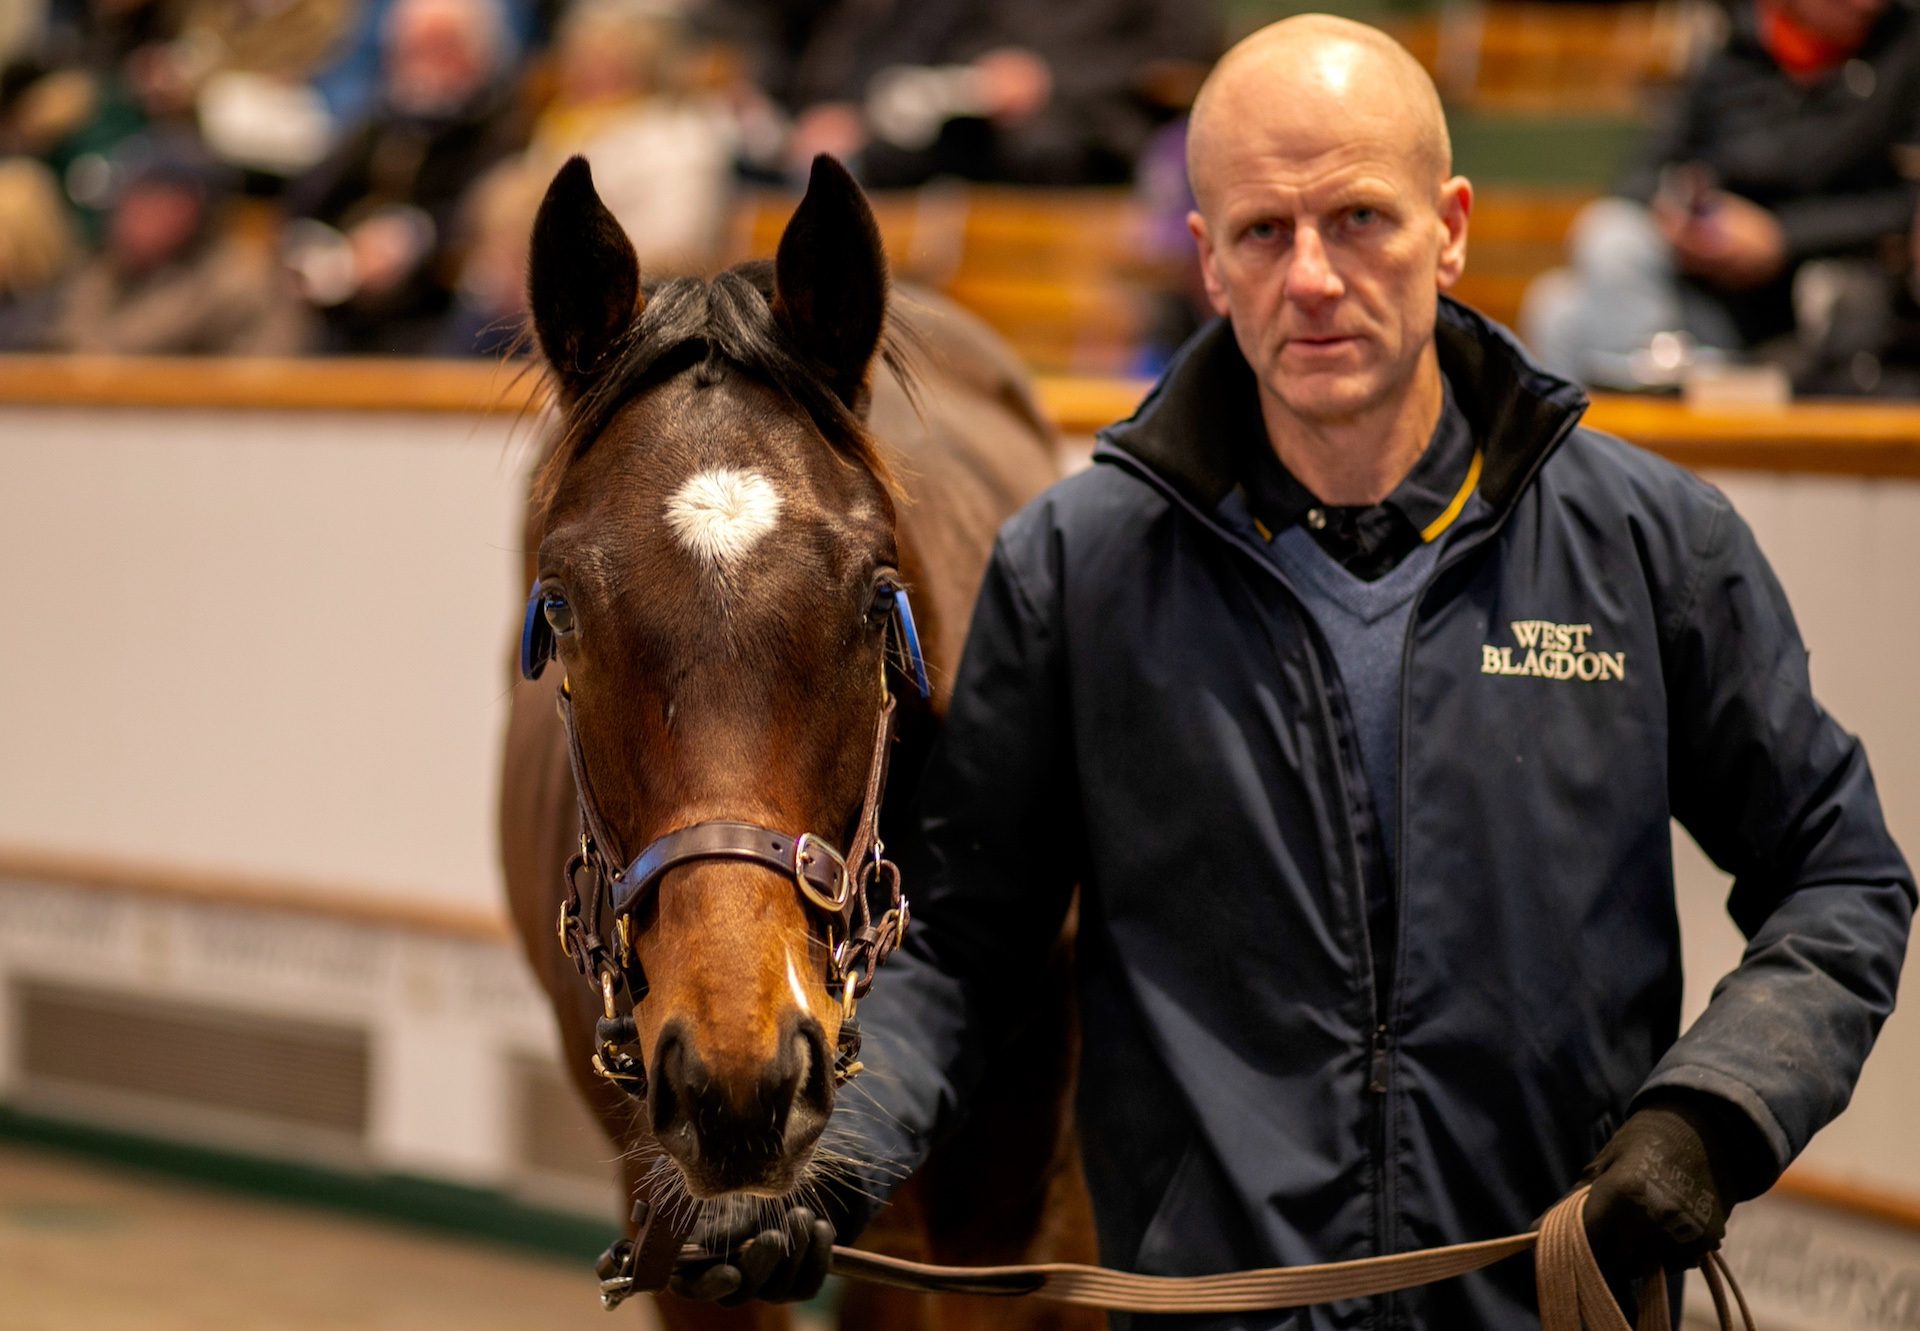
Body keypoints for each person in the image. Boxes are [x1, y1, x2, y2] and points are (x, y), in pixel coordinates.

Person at [675, 15, 1915, 1329]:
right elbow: (966, 944)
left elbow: (1840, 875)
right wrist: (838, 1160)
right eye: (1264, 231)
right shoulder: (1077, 570)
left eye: (1360, 220)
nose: (1313, 277)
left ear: (1451, 226)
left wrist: (1713, 1114)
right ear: (1207, 260)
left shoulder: (1651, 545)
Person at [1519, 0, 1920, 389]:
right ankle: (1663, 393)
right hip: (1708, 292)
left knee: (1571, 309)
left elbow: (1902, 205)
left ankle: (1661, 420)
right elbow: (1642, 173)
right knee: (1573, 282)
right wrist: (1680, 219)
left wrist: (1780, 236)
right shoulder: (1731, 51)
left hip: (1813, 310)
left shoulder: (1904, 52)